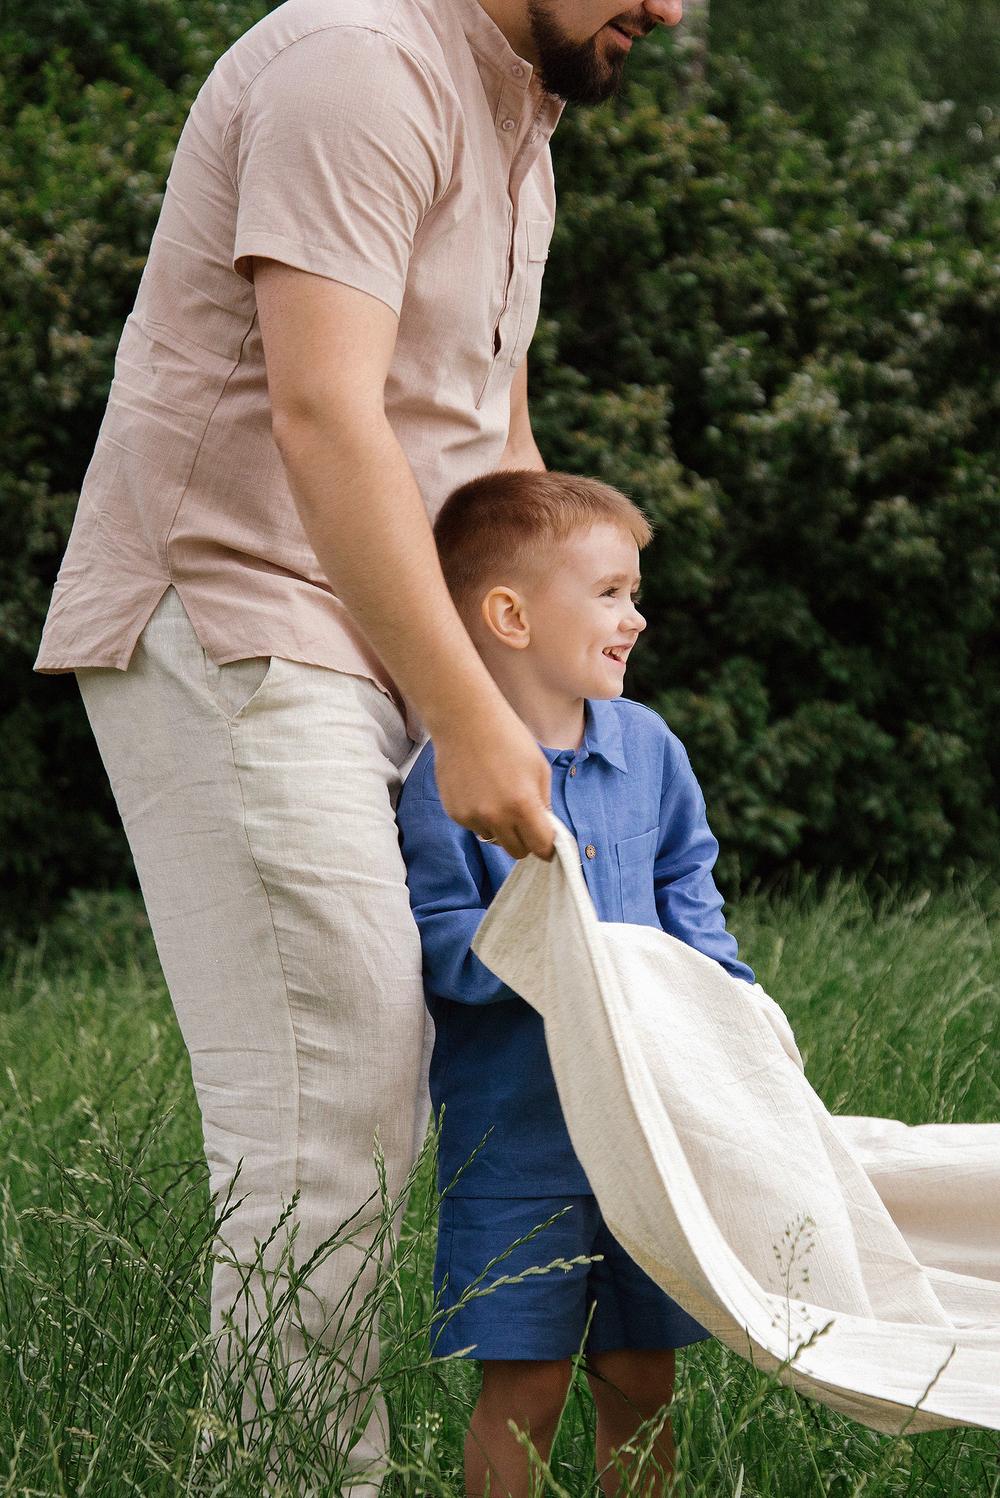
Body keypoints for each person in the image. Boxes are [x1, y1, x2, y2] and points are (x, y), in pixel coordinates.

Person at [33, 0, 683, 1486]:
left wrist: (545, 696)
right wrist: (468, 713)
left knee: (385, 1085)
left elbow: (489, 450)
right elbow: (327, 413)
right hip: (243, 612)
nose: (665, 7)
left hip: (395, 636)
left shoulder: (522, 117)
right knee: (330, 1107)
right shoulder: (360, 65)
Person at [396, 468, 755, 1498]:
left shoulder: (649, 749)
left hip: (647, 1130)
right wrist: (556, 956)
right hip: (521, 1141)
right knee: (530, 1383)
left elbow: (689, 884)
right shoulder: (448, 778)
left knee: (642, 1374)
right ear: (508, 614)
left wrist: (732, 1005)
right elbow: (443, 944)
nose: (634, 617)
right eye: (609, 593)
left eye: (633, 593)